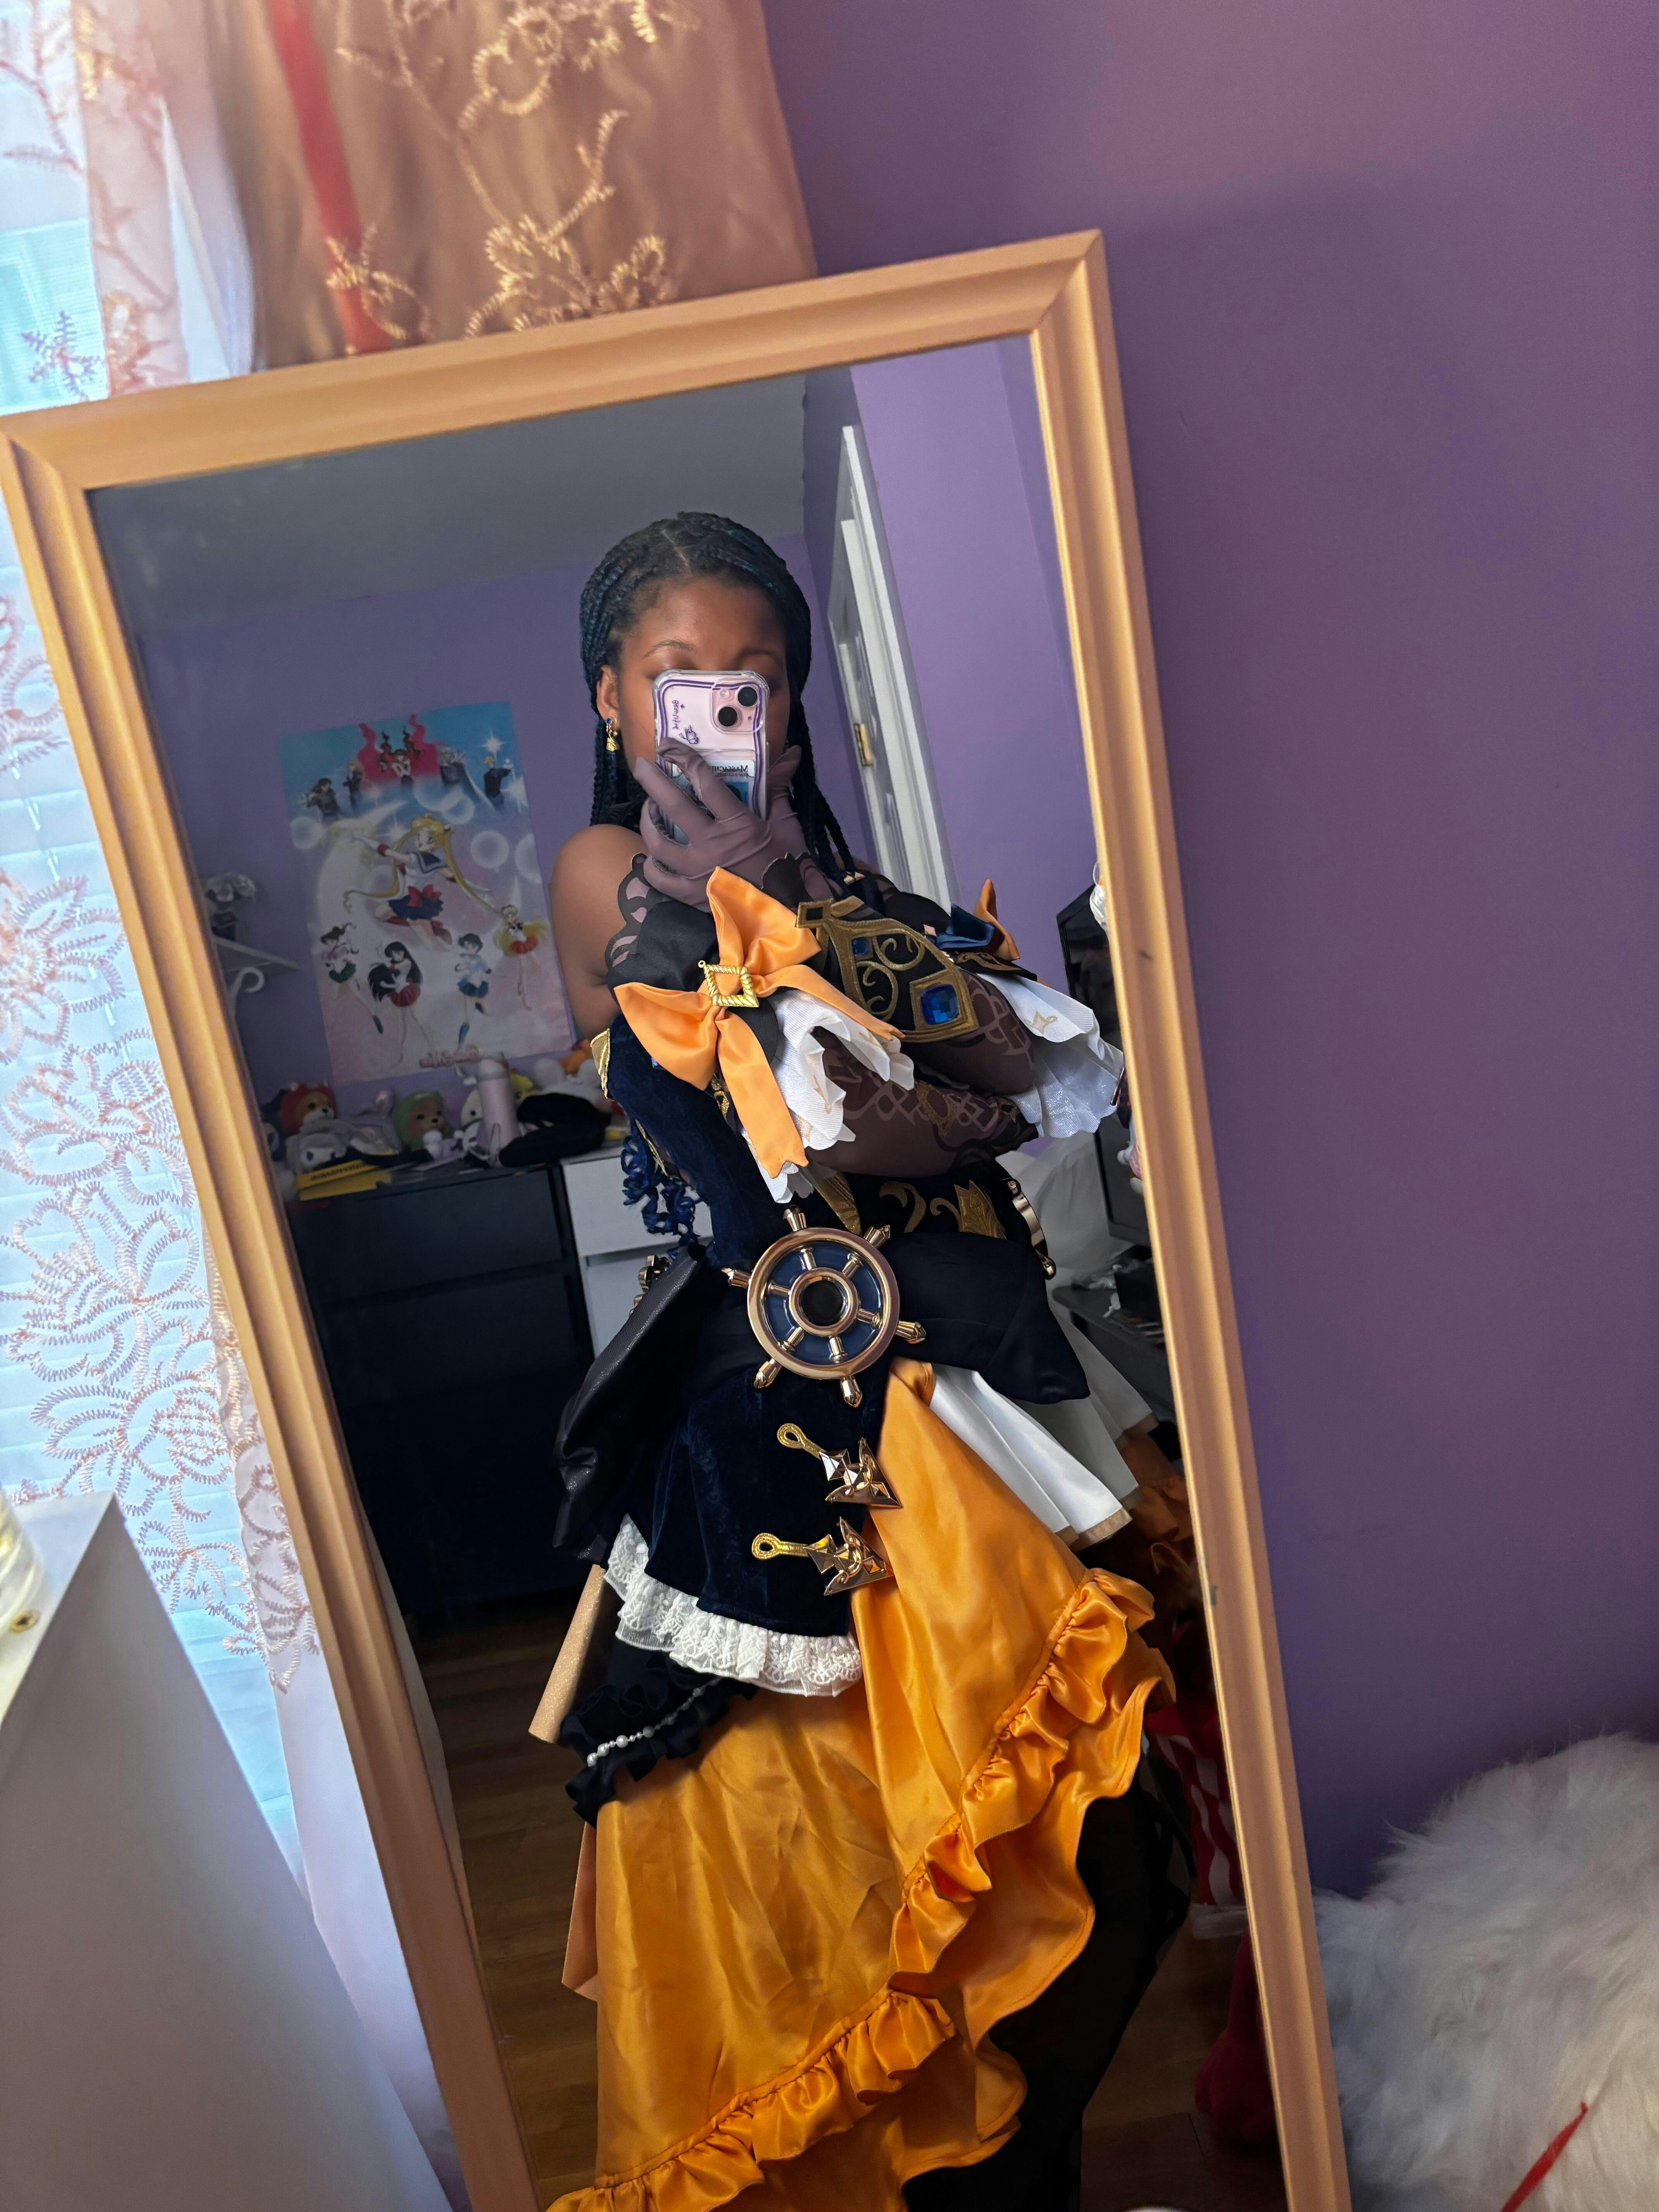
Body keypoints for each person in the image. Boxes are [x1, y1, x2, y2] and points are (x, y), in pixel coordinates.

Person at [546, 515, 1186, 2212]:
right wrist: (799, 956)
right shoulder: (610, 876)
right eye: (680, 678)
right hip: (794, 1431)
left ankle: (1026, 2174)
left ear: (794, 705)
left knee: (1098, 1845)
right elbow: (806, 1129)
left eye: (753, 680)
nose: (717, 712)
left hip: (974, 1385)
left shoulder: (833, 882)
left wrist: (819, 907)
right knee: (878, 1898)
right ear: (612, 698)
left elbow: (1028, 1061)